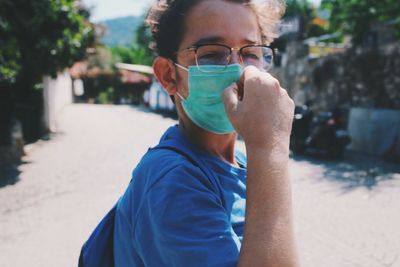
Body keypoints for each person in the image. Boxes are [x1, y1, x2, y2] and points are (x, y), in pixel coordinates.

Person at [113, 0, 299, 266]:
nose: (237, 69)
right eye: (211, 54)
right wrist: (271, 147)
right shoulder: (173, 180)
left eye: (250, 54)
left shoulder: (244, 163)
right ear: (169, 75)